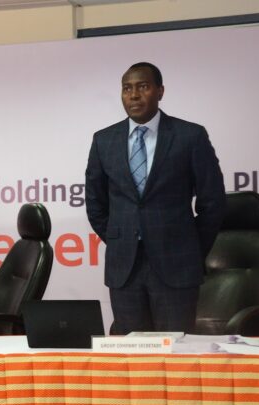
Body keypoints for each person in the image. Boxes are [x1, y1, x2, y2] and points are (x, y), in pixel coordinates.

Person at [85, 62, 225, 334]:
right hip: (125, 268)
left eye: (143, 87)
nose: (134, 95)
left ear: (160, 92)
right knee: (132, 360)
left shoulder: (190, 136)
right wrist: (120, 238)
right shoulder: (104, 140)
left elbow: (213, 202)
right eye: (127, 89)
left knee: (175, 357)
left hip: (177, 265)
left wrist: (191, 248)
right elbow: (95, 203)